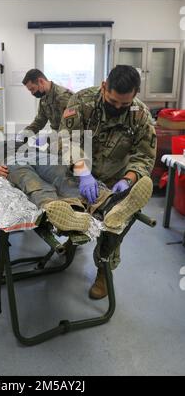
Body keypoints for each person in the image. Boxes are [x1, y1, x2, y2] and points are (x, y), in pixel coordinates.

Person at [59, 64, 157, 299]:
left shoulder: (140, 114)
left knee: (113, 224)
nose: (117, 108)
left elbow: (144, 155)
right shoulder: (81, 102)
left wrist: (128, 179)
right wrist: (83, 173)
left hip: (116, 177)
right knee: (73, 211)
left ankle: (103, 272)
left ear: (134, 96)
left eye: (124, 104)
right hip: (81, 171)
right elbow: (65, 140)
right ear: (104, 87)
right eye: (113, 101)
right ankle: (72, 242)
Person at [0, 68, 73, 180]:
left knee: (66, 175)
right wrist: (24, 134)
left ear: (41, 81)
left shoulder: (64, 97)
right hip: (57, 141)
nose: (32, 93)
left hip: (70, 142)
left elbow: (72, 127)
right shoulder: (44, 99)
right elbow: (39, 121)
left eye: (32, 89)